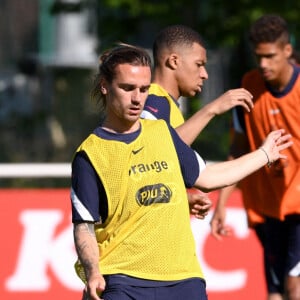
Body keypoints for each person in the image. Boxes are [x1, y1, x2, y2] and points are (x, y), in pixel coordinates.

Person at [70, 43, 292, 300]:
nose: (136, 98)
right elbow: (84, 225)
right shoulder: (90, 154)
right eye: (127, 88)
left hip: (184, 280)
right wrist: (93, 271)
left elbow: (208, 178)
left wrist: (264, 154)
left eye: (143, 90)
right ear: (105, 86)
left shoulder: (161, 133)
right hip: (124, 280)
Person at [210, 14, 300, 300]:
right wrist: (221, 203)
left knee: (294, 287)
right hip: (267, 203)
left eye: (270, 56)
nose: (263, 64)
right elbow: (238, 148)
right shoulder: (248, 87)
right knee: (274, 293)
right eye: (258, 56)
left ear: (287, 51)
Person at [141, 24, 254, 218]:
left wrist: (181, 199)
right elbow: (160, 150)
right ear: (174, 61)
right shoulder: (153, 100)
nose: (204, 74)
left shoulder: (167, 105)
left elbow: (152, 176)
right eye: (199, 64)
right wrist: (211, 109)